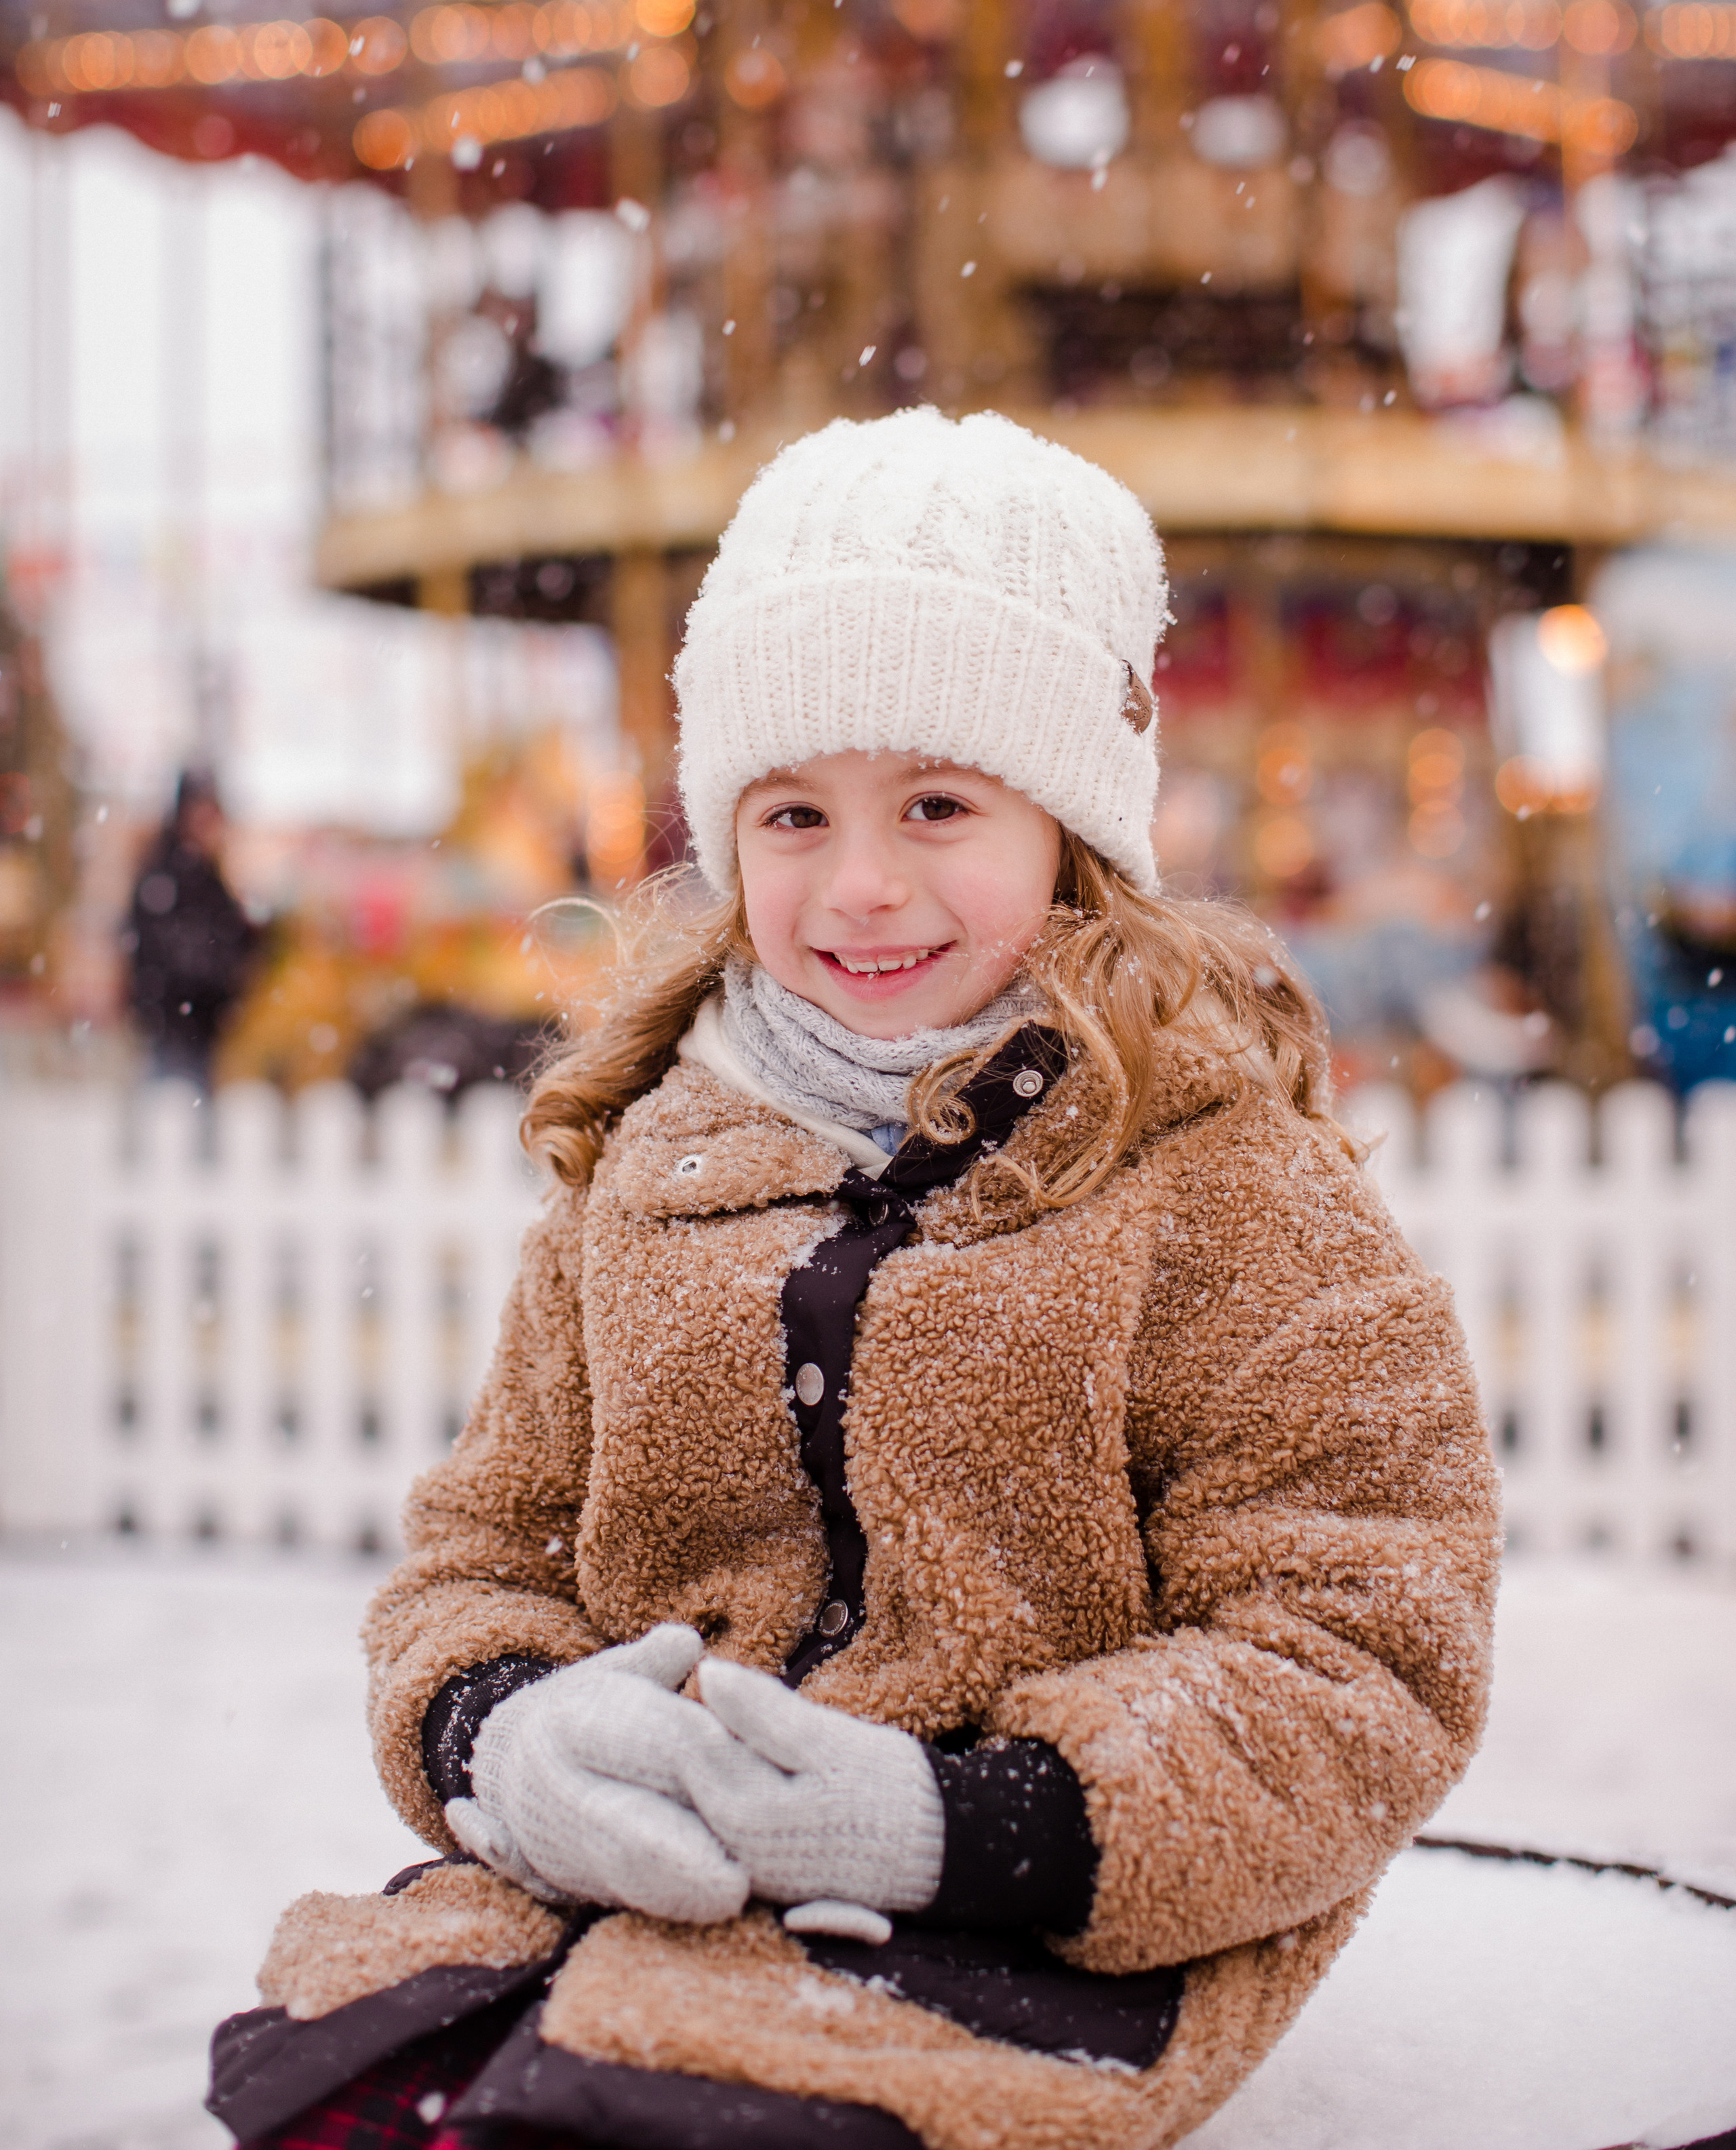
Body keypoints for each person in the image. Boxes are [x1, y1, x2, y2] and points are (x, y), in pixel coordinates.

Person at [210, 410, 1499, 2150]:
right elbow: (484, 1546)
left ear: (1067, 827)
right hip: (630, 1910)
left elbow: (1367, 1634)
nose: (861, 881)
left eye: (940, 803)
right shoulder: (650, 1162)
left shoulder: (1212, 1178)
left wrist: (960, 1818)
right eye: (793, 809)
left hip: (1032, 1942)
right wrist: (495, 1734)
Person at [123, 771, 261, 1089]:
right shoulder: (165, 878)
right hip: (169, 1027)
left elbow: (236, 945)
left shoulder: (215, 878)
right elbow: (168, 953)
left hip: (203, 1030)